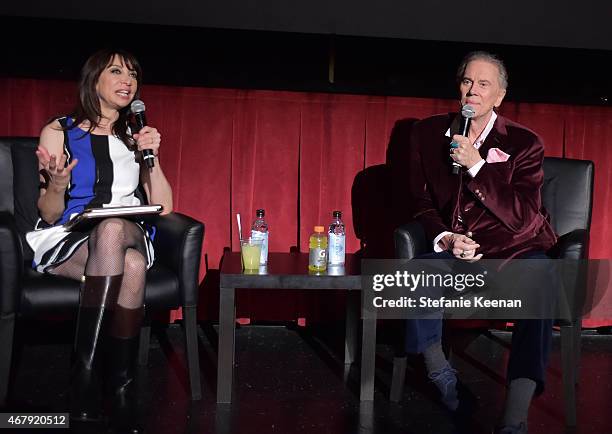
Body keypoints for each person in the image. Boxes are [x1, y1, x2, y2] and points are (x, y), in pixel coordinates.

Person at [406, 51, 557, 434]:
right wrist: (446, 237)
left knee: (540, 285)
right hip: (457, 250)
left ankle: (515, 414)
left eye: (484, 84)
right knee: (416, 276)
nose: (473, 90)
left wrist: (477, 165)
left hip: (514, 250)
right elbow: (421, 202)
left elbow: (523, 216)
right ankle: (440, 372)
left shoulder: (524, 143)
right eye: (467, 81)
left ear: (499, 97)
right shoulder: (426, 134)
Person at [25, 48, 173, 433]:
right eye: (117, 71)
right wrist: (56, 185)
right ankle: (120, 386)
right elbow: (51, 213)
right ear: (93, 80)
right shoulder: (59, 131)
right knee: (133, 265)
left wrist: (151, 156)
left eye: (134, 74)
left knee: (113, 228)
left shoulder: (135, 136)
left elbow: (165, 207)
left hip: (128, 230)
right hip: (70, 236)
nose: (128, 81)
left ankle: (84, 377)